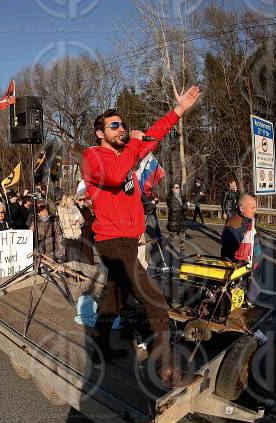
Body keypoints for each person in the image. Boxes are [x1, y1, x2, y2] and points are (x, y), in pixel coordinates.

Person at [81, 85, 200, 387]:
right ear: (100, 133)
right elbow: (116, 176)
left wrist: (178, 111)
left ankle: (99, 346)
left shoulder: (126, 152)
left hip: (129, 240)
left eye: (123, 124)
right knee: (153, 298)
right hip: (111, 240)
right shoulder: (93, 157)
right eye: (115, 125)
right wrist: (133, 145)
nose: (122, 129)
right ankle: (166, 366)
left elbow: (153, 135)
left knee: (114, 297)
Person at [221, 195, 261, 302]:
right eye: (252, 208)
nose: (255, 210)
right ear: (242, 209)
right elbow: (230, 253)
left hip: (250, 269)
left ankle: (248, 300)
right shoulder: (233, 225)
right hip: (240, 272)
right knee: (238, 300)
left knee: (249, 297)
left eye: (255, 208)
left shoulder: (248, 221)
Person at [57, 195, 84, 262]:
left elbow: (82, 220)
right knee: (70, 254)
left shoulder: (75, 208)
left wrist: (79, 221)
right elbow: (60, 223)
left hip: (77, 235)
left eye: (73, 200)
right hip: (68, 236)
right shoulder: (60, 209)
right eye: (72, 200)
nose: (73, 201)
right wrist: (70, 222)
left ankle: (76, 270)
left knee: (77, 254)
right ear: (67, 201)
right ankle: (69, 270)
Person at [166, 183, 190, 255]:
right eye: (176, 187)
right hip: (174, 222)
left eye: (178, 187)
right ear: (172, 189)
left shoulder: (181, 196)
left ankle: (182, 251)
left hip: (181, 221)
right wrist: (185, 205)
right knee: (171, 237)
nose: (178, 189)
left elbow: (184, 208)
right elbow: (174, 208)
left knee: (182, 237)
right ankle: (165, 248)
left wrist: (186, 208)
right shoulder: (169, 198)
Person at [75, 194, 95, 264]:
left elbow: (91, 220)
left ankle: (89, 264)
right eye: (80, 200)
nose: (82, 201)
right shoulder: (75, 209)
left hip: (88, 232)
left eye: (83, 199)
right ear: (77, 201)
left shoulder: (87, 209)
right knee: (82, 250)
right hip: (80, 232)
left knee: (89, 249)